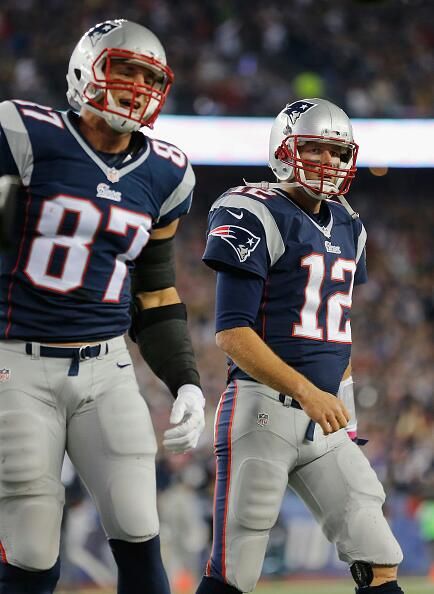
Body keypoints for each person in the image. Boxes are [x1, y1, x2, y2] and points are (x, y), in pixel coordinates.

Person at [0, 18, 205, 594]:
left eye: (149, 76)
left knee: (140, 530)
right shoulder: (23, 131)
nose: (137, 86)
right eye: (125, 69)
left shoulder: (167, 173)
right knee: (33, 550)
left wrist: (185, 381)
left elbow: (156, 290)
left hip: (107, 368)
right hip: (16, 363)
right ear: (84, 69)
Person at [195, 98, 404, 594]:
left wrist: (345, 413)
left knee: (379, 559)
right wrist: (308, 392)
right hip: (262, 409)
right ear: (284, 149)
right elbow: (232, 332)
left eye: (336, 153)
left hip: (324, 419)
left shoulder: (351, 225)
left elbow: (336, 331)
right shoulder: (253, 210)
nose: (327, 163)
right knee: (234, 572)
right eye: (314, 148)